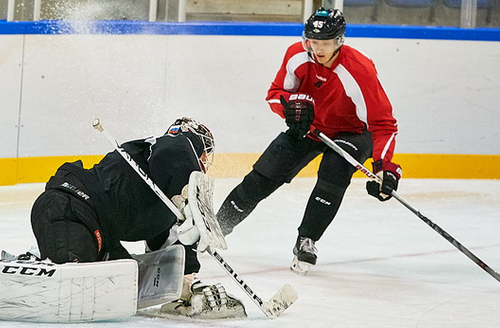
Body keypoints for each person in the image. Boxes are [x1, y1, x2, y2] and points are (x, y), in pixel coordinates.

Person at [216, 8, 402, 275]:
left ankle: (307, 240)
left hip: (351, 132)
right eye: (314, 42)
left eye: (326, 43)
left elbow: (383, 124)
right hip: (310, 127)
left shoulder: (359, 70)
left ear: (340, 41)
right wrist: (291, 107)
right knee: (264, 174)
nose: (319, 49)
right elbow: (274, 95)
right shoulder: (296, 55)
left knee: (333, 173)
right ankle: (219, 225)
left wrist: (384, 167)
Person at [29, 117, 246, 318]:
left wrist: (187, 286)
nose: (205, 160)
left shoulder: (169, 202)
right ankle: (33, 266)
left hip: (99, 237)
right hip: (70, 208)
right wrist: (193, 194)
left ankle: (45, 260)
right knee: (71, 288)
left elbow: (170, 254)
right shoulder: (169, 148)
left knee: (126, 285)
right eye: (203, 152)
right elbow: (175, 150)